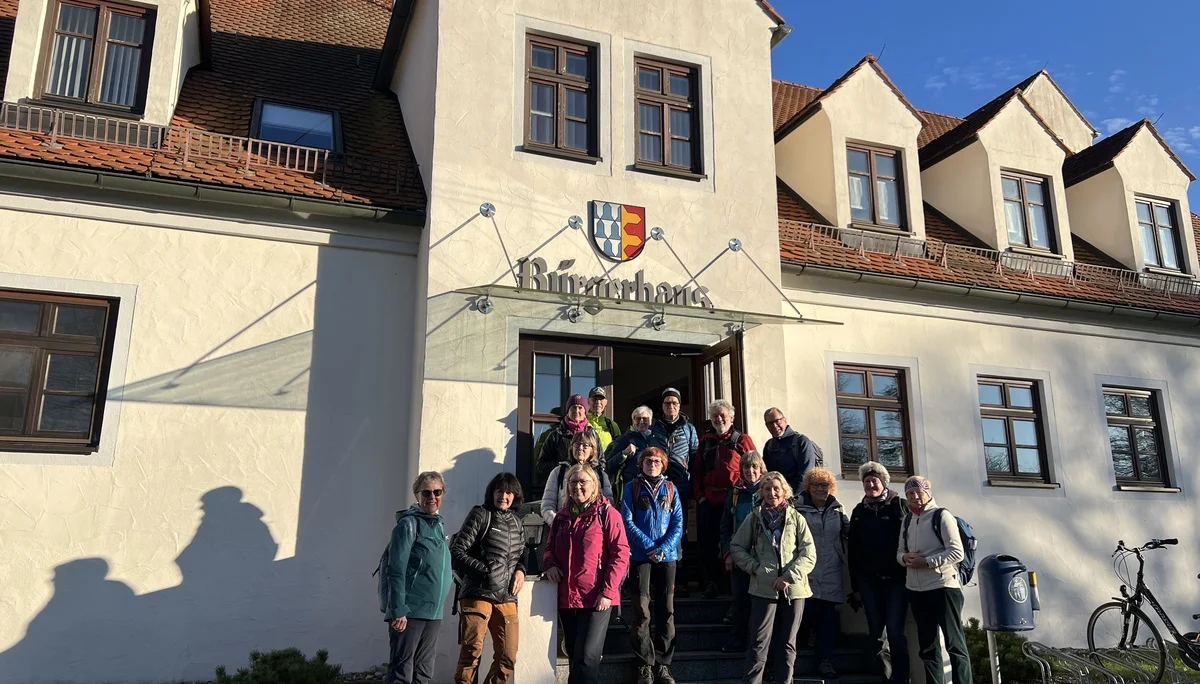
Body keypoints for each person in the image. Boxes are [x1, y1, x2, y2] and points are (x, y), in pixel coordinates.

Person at [543, 464, 631, 684]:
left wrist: (609, 591)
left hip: (597, 598)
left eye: (583, 481)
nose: (577, 486)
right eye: (573, 482)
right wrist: (550, 564)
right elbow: (549, 550)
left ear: (595, 486)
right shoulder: (561, 518)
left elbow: (621, 554)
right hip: (568, 598)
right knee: (574, 656)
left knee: (588, 658)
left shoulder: (607, 513)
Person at [730, 471, 816, 684]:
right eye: (767, 489)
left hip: (794, 590)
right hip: (763, 588)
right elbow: (737, 547)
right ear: (762, 492)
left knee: (788, 644)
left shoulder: (797, 519)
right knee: (758, 643)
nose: (772, 493)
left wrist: (789, 576)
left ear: (785, 491)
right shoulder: (755, 518)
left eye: (776, 488)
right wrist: (756, 568)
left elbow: (809, 553)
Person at [451, 472, 528, 684]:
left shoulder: (517, 522)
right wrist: (485, 571)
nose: (504, 496)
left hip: (507, 597)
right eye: (499, 491)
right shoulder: (480, 514)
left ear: (515, 496)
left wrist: (521, 570)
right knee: (471, 655)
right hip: (478, 594)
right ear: (492, 493)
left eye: (509, 492)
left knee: (508, 656)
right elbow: (457, 552)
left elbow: (520, 556)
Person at [899, 475, 972, 684]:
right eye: (910, 494)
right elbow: (899, 551)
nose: (915, 497)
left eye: (919, 492)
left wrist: (927, 562)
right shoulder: (907, 520)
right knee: (928, 648)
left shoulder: (942, 516)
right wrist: (904, 558)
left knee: (954, 645)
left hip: (943, 587)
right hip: (916, 589)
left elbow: (957, 552)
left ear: (928, 493)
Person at [621, 446, 684, 684]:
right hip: (640, 557)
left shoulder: (671, 489)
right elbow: (627, 520)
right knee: (641, 612)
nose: (652, 464)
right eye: (648, 460)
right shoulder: (632, 487)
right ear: (641, 464)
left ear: (664, 464)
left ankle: (663, 665)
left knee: (666, 611)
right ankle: (644, 664)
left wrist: (663, 548)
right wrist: (648, 546)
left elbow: (678, 523)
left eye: (657, 461)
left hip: (667, 559)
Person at [385, 471, 452, 684]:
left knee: (424, 671)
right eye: (426, 492)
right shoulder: (408, 525)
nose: (432, 497)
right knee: (401, 671)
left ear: (443, 494)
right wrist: (398, 610)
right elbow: (395, 569)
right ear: (417, 495)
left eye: (437, 492)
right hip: (409, 611)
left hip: (433, 611)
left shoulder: (438, 525)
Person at [848, 462, 909, 684]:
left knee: (895, 631)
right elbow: (852, 551)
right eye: (866, 481)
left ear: (884, 483)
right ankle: (885, 677)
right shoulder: (858, 511)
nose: (870, 484)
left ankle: (902, 679)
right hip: (868, 581)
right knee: (876, 633)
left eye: (874, 480)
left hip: (896, 580)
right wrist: (855, 587)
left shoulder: (899, 506)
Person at [694, 399, 754, 598]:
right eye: (715, 416)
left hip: (734, 499)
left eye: (722, 416)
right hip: (709, 500)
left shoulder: (742, 440)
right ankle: (713, 584)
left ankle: (733, 588)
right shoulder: (706, 441)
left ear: (732, 417)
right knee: (707, 545)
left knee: (733, 543)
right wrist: (700, 497)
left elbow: (755, 468)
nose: (719, 419)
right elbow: (696, 473)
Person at [794, 467, 849, 679]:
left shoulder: (837, 509)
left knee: (828, 617)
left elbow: (849, 532)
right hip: (806, 568)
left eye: (824, 485)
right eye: (816, 485)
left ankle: (825, 660)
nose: (820, 489)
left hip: (832, 568)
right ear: (808, 486)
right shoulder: (798, 508)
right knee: (807, 610)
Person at [652, 387, 698, 596]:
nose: (671, 406)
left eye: (675, 403)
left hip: (682, 487)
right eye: (667, 403)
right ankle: (657, 581)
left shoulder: (689, 429)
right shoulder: (653, 427)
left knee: (681, 533)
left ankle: (680, 580)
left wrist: (695, 491)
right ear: (662, 406)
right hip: (657, 487)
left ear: (680, 406)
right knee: (657, 530)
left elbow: (696, 459)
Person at [719, 450, 765, 654]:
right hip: (739, 556)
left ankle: (758, 644)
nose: (750, 471)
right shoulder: (735, 494)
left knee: (761, 603)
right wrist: (728, 553)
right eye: (746, 467)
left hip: (764, 558)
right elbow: (725, 526)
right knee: (739, 600)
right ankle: (738, 639)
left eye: (754, 467)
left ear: (761, 469)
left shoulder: (769, 491)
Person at [541, 431, 614, 526]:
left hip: (593, 531)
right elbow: (547, 505)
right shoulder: (558, 472)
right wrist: (557, 523)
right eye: (577, 444)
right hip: (564, 530)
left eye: (585, 445)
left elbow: (609, 505)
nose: (580, 448)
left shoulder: (601, 475)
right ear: (571, 448)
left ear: (593, 450)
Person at [605, 406, 665, 506]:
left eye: (645, 419)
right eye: (638, 418)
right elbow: (608, 465)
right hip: (632, 492)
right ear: (633, 421)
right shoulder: (623, 439)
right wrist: (624, 453)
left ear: (650, 421)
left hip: (654, 492)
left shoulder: (657, 441)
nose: (641, 421)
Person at [535, 394, 601, 484]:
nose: (576, 411)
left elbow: (602, 462)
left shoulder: (593, 435)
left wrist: (590, 468)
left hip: (588, 487)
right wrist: (562, 467)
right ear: (568, 411)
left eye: (580, 407)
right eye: (573, 407)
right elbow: (541, 466)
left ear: (585, 412)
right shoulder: (555, 435)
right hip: (562, 487)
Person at [762, 408, 821, 493]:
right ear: (766, 426)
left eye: (777, 421)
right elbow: (767, 476)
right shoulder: (769, 445)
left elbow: (805, 475)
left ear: (785, 420)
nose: (774, 425)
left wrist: (788, 496)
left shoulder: (801, 442)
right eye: (770, 423)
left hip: (799, 500)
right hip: (776, 499)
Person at [587, 386, 621, 452]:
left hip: (607, 461)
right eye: (594, 399)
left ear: (606, 402)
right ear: (588, 401)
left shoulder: (612, 425)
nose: (598, 402)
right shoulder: (583, 422)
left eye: (601, 399)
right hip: (588, 462)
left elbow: (618, 448)